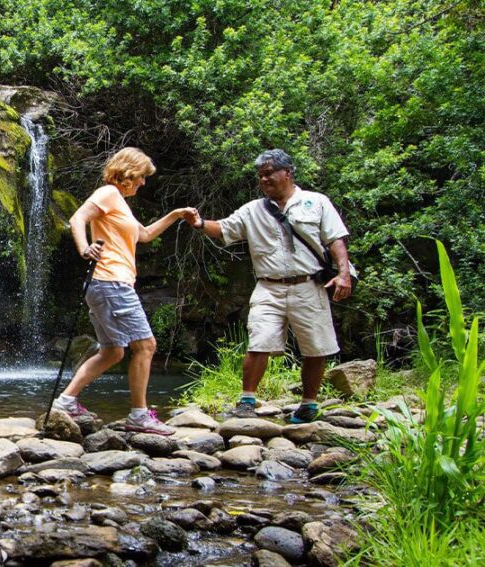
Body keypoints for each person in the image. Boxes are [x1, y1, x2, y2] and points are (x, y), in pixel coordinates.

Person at [188, 149, 353, 423]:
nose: (264, 179)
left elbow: (336, 240)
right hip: (268, 287)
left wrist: (344, 274)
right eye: (260, 175)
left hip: (309, 285)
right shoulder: (253, 210)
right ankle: (247, 400)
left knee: (315, 347)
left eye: (269, 174)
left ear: (287, 173)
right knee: (259, 341)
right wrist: (200, 223)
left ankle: (309, 404)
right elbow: (225, 229)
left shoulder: (316, 202)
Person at [52, 147, 194, 435]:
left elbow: (145, 235)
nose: (143, 183)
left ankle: (65, 401)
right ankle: (139, 415)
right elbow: (78, 219)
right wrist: (84, 248)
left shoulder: (119, 202)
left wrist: (176, 215)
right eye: (142, 177)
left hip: (106, 285)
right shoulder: (107, 193)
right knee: (146, 345)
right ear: (129, 173)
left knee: (113, 352)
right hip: (111, 283)